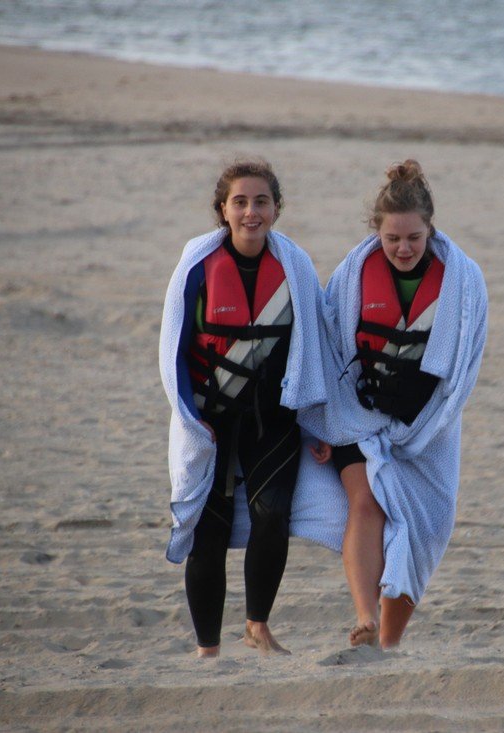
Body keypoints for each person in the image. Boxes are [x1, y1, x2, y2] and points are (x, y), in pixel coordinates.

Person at [303, 159, 488, 649]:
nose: (403, 248)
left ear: (430, 230)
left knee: (427, 525)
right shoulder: (352, 277)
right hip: (354, 418)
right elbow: (327, 348)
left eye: (414, 238)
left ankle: (388, 642)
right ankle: (365, 615)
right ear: (377, 234)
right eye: (393, 239)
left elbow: (463, 365)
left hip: (424, 426)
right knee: (367, 504)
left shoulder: (462, 284)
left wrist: (427, 424)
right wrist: (319, 422)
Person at [158, 157, 328, 657]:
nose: (251, 212)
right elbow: (174, 348)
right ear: (222, 211)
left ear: (276, 209)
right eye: (240, 202)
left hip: (273, 419)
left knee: (272, 515)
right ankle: (207, 647)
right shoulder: (199, 267)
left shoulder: (294, 267)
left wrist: (319, 424)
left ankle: (257, 625)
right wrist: (191, 422)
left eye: (261, 201)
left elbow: (316, 347)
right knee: (209, 530)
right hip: (211, 420)